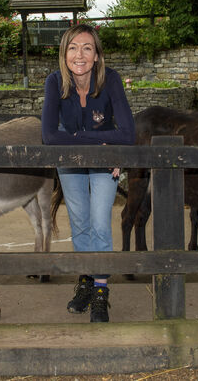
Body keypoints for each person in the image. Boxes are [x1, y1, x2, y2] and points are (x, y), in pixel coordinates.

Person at [41, 23, 136, 322]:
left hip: (105, 161)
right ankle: (86, 280)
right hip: (71, 159)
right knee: (80, 223)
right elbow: (49, 137)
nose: (79, 55)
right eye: (72, 48)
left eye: (87, 48)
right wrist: (102, 140)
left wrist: (86, 139)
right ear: (64, 54)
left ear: (97, 55)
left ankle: (100, 291)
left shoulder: (111, 80)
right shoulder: (54, 82)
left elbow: (129, 133)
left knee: (99, 224)